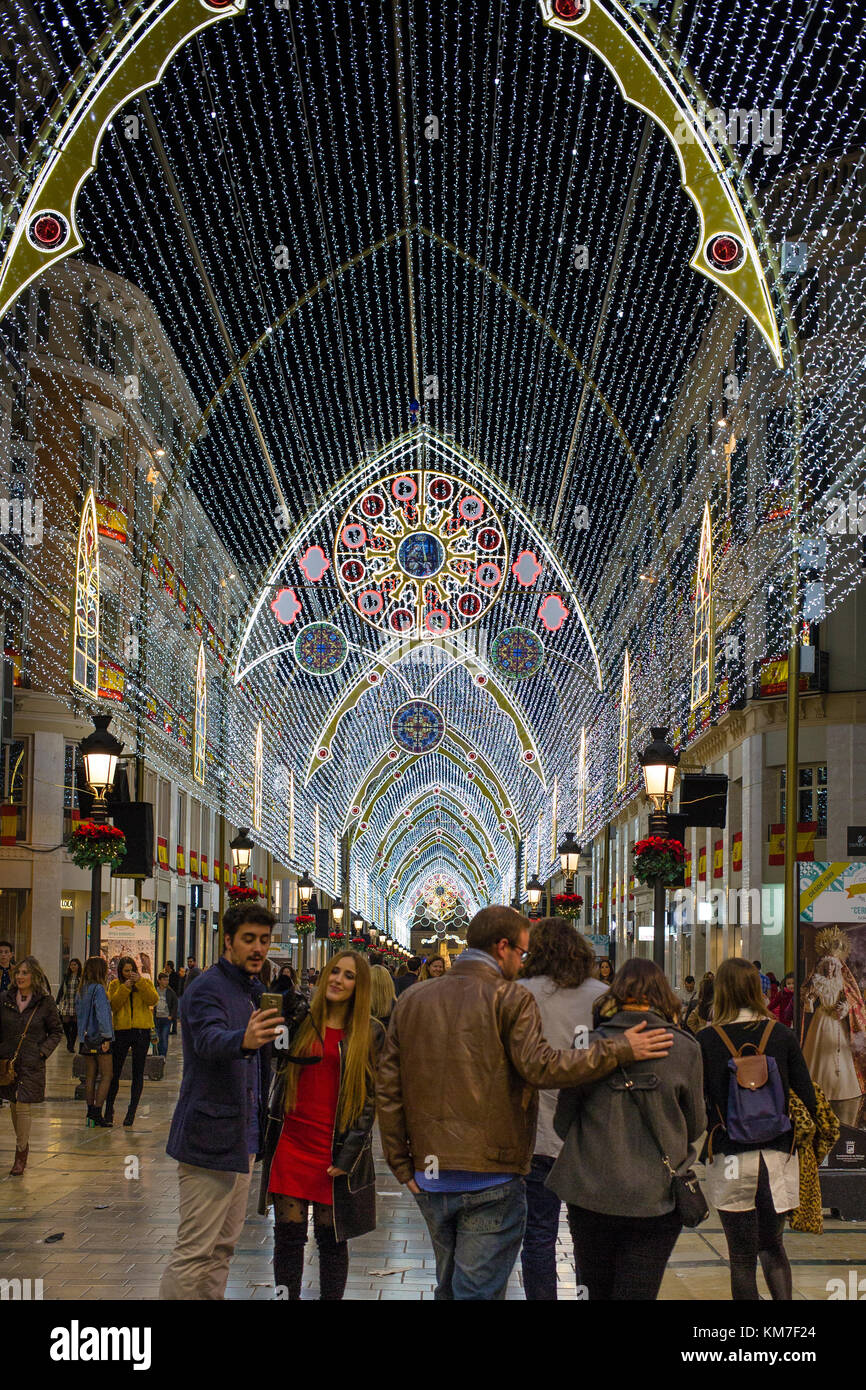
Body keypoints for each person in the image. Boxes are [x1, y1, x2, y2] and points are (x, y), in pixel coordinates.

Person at [377, 905, 673, 1301]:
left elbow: (389, 1087)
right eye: (521, 952)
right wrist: (617, 1049)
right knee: (476, 1291)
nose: (523, 961)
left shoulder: (414, 998)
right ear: (502, 947)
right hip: (492, 1175)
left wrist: (399, 1161)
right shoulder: (509, 998)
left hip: (431, 1175)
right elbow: (542, 1067)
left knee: (451, 1285)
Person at [549, 958, 704, 1301]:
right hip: (655, 1198)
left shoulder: (586, 1044)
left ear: (615, 993)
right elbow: (695, 1127)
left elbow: (562, 1123)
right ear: (663, 994)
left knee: (592, 1286)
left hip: (591, 1194)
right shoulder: (684, 1047)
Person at [159, 903, 283, 1300]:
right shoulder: (207, 988)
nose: (258, 948)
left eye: (264, 940)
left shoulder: (252, 991)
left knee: (223, 1248)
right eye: (249, 939)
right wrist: (243, 1041)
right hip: (208, 1140)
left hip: (242, 1140)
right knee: (195, 1250)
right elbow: (208, 1040)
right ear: (227, 941)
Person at [260, 951, 385, 1300]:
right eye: (335, 972)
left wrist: (350, 1155)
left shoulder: (370, 1032)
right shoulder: (301, 1021)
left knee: (331, 1241)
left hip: (335, 1147)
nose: (338, 980)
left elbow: (371, 1101)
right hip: (292, 1142)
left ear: (359, 986)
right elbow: (274, 1062)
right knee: (288, 1240)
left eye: (349, 976)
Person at [699, 958, 817, 1301]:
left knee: (740, 1258)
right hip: (778, 1156)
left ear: (719, 992)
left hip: (731, 1156)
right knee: (773, 1247)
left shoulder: (707, 1040)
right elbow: (806, 1097)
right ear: (757, 989)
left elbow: (696, 1103)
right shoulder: (781, 1034)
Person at [518, 918, 608, 1300]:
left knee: (538, 1234)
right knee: (591, 1235)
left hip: (536, 1131)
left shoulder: (519, 993)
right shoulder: (604, 995)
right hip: (592, 1134)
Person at [0, 956, 63, 1173]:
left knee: (23, 1104)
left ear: (34, 976)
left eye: (25, 973)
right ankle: (22, 1143)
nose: (20, 976)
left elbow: (56, 1032)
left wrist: (42, 1052)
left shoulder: (45, 1002)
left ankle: (21, 1151)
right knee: (14, 1105)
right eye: (18, 972)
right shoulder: (5, 999)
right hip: (8, 1062)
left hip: (31, 1062)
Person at [801, 929, 866, 1127]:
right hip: (821, 1022)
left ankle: (843, 1090)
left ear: (838, 967)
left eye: (833, 965)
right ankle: (820, 1088)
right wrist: (808, 1001)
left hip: (837, 1023)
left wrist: (846, 1009)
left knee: (840, 1057)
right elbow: (809, 1003)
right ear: (822, 966)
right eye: (826, 964)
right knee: (817, 1055)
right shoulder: (816, 982)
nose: (829, 968)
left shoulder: (843, 983)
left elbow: (854, 1001)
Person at [104, 956, 159, 1128]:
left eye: (131, 971)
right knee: (115, 1072)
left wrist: (140, 983)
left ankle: (131, 1112)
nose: (129, 974)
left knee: (138, 1072)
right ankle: (109, 1110)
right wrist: (124, 989)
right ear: (120, 972)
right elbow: (113, 1005)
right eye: (125, 971)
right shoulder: (114, 985)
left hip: (141, 1031)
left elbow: (153, 1000)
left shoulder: (145, 983)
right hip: (121, 1031)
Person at [77, 956, 115, 1126]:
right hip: (99, 1037)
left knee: (90, 1075)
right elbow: (102, 1015)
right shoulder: (99, 989)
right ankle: (97, 1112)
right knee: (107, 1075)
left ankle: (89, 1111)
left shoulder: (82, 989)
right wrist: (107, 1036)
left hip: (85, 1038)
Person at [56, 957, 83, 1052]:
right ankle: (69, 1040)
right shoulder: (67, 976)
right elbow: (62, 988)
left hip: (77, 1003)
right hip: (67, 1001)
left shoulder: (81, 977)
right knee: (65, 1022)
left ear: (79, 966)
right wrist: (57, 1000)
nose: (73, 966)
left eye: (75, 964)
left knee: (75, 1023)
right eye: (71, 965)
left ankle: (71, 1044)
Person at [154, 971, 179, 1057]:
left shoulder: (170, 992)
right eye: (164, 980)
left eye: (167, 980)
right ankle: (157, 1054)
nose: (166, 982)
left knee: (164, 1038)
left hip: (166, 1019)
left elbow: (175, 1003)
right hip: (156, 1018)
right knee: (156, 1038)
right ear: (159, 980)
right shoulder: (154, 990)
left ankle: (162, 1056)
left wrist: (171, 1016)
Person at [166, 962, 180, 1033]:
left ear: (169, 966)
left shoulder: (175, 975)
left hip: (173, 995)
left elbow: (176, 985)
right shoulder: (166, 974)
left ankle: (174, 1029)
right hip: (168, 995)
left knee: (173, 1012)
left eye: (166, 965)